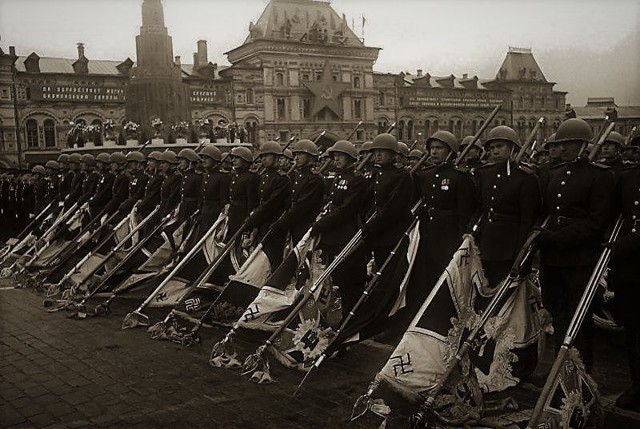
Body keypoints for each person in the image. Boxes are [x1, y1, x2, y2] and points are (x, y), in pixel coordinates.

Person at [535, 118, 615, 373]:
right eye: (561, 144)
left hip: (580, 257)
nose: (564, 148)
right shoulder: (553, 173)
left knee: (579, 317)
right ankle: (561, 370)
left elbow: (597, 221)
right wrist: (541, 234)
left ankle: (580, 373)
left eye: (570, 144)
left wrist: (560, 238)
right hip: (552, 258)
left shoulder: (599, 175)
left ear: (583, 144)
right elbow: (545, 212)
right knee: (558, 314)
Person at [411, 130, 477, 311]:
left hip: (449, 234)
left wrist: (461, 236)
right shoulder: (425, 175)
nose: (433, 152)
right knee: (426, 275)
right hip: (427, 231)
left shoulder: (460, 177)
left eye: (439, 148)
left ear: (450, 151)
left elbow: (466, 211)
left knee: (446, 275)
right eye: (432, 148)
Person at [476, 125, 541, 287]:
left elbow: (527, 219)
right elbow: (480, 209)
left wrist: (520, 252)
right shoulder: (485, 174)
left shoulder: (525, 178)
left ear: (513, 148)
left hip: (509, 245)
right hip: (486, 242)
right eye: (491, 148)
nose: (495, 151)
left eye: (500, 146)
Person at [310, 140, 368, 318]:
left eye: (340, 156)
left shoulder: (357, 179)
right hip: (334, 235)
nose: (336, 159)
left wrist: (321, 224)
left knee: (350, 278)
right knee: (339, 278)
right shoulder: (338, 177)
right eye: (334, 156)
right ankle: (342, 313)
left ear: (350, 158)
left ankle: (352, 316)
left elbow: (346, 210)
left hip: (347, 233)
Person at [609, 160, 640, 410]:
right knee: (634, 328)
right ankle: (637, 383)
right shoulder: (629, 177)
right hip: (631, 268)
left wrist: (622, 245)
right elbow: (614, 215)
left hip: (630, 251)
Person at [362, 133, 414, 268]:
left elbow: (392, 208)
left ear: (392, 154)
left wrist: (371, 226)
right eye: (375, 151)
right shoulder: (380, 173)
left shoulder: (401, 174)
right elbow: (373, 201)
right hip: (380, 230)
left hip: (394, 232)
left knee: (391, 271)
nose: (377, 155)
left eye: (382, 151)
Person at [244, 141, 291, 267]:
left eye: (267, 156)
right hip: (262, 222)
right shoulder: (264, 176)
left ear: (275, 157)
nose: (263, 159)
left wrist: (252, 220)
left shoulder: (282, 179)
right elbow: (260, 201)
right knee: (259, 257)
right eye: (262, 156)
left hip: (274, 223)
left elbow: (271, 205)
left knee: (271, 257)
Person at [272, 139, 325, 244]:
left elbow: (302, 206)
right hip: (294, 224)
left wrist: (281, 223)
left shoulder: (315, 178)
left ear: (310, 156)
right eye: (295, 154)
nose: (296, 158)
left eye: (300, 154)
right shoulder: (298, 175)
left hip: (306, 224)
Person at [226, 146, 259, 237]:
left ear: (245, 161)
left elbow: (252, 201)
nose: (233, 160)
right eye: (233, 158)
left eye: (237, 158)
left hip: (242, 215)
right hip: (233, 214)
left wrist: (248, 217)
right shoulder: (235, 176)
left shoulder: (251, 178)